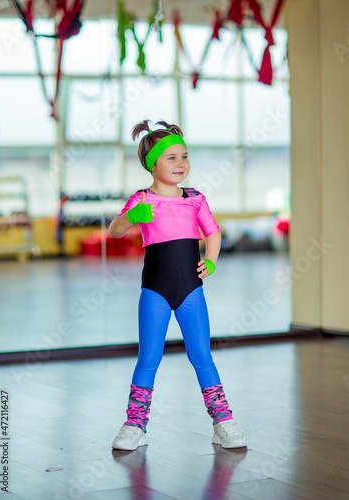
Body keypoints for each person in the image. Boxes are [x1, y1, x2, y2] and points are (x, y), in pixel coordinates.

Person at [109, 120, 247, 451]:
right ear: (151, 164)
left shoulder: (195, 199)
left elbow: (212, 232)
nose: (181, 163)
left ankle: (223, 421)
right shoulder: (142, 199)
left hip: (191, 291)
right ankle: (135, 425)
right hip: (154, 291)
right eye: (171, 158)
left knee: (202, 355)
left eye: (184, 156)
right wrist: (132, 216)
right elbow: (115, 230)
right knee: (149, 357)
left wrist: (210, 261)